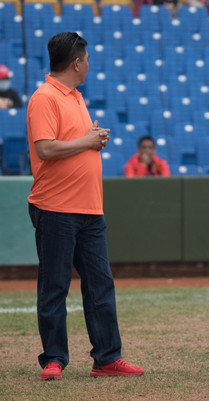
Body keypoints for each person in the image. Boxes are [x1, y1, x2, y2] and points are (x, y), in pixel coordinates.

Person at [26, 32, 144, 381]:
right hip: (56, 207)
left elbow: (71, 145)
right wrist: (87, 141)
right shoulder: (44, 98)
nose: (89, 64)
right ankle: (54, 359)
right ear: (76, 63)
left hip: (90, 209)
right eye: (87, 58)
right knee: (54, 286)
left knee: (100, 285)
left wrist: (92, 143)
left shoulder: (76, 97)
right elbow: (46, 148)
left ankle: (107, 357)